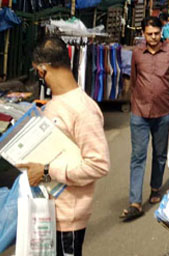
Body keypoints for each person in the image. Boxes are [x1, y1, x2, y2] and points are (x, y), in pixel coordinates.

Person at [17, 37, 110, 256]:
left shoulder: (83, 109)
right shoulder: (55, 103)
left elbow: (99, 165)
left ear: (42, 70)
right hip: (47, 211)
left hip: (68, 218)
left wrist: (47, 171)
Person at [120, 17, 169, 221]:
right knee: (138, 156)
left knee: (160, 154)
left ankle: (156, 188)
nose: (153, 37)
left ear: (162, 33)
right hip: (139, 112)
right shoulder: (137, 53)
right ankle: (135, 201)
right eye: (149, 34)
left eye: (157, 33)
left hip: (163, 112)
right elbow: (133, 78)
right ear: (143, 33)